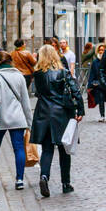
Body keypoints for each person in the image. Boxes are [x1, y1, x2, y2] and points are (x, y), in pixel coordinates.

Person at [31, 45, 84, 197]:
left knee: (47, 150)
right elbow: (76, 92)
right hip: (61, 113)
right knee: (64, 150)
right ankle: (66, 183)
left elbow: (38, 93)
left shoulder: (38, 74)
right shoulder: (63, 72)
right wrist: (80, 110)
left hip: (44, 113)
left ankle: (44, 176)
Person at [0, 50, 33, 191]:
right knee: (19, 148)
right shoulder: (19, 75)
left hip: (1, 118)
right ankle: (19, 179)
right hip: (17, 118)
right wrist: (29, 122)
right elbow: (25, 101)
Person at [90, 43, 106, 122]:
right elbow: (92, 73)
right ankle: (102, 115)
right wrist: (90, 84)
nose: (101, 52)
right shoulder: (95, 62)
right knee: (101, 100)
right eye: (100, 50)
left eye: (103, 50)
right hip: (98, 84)